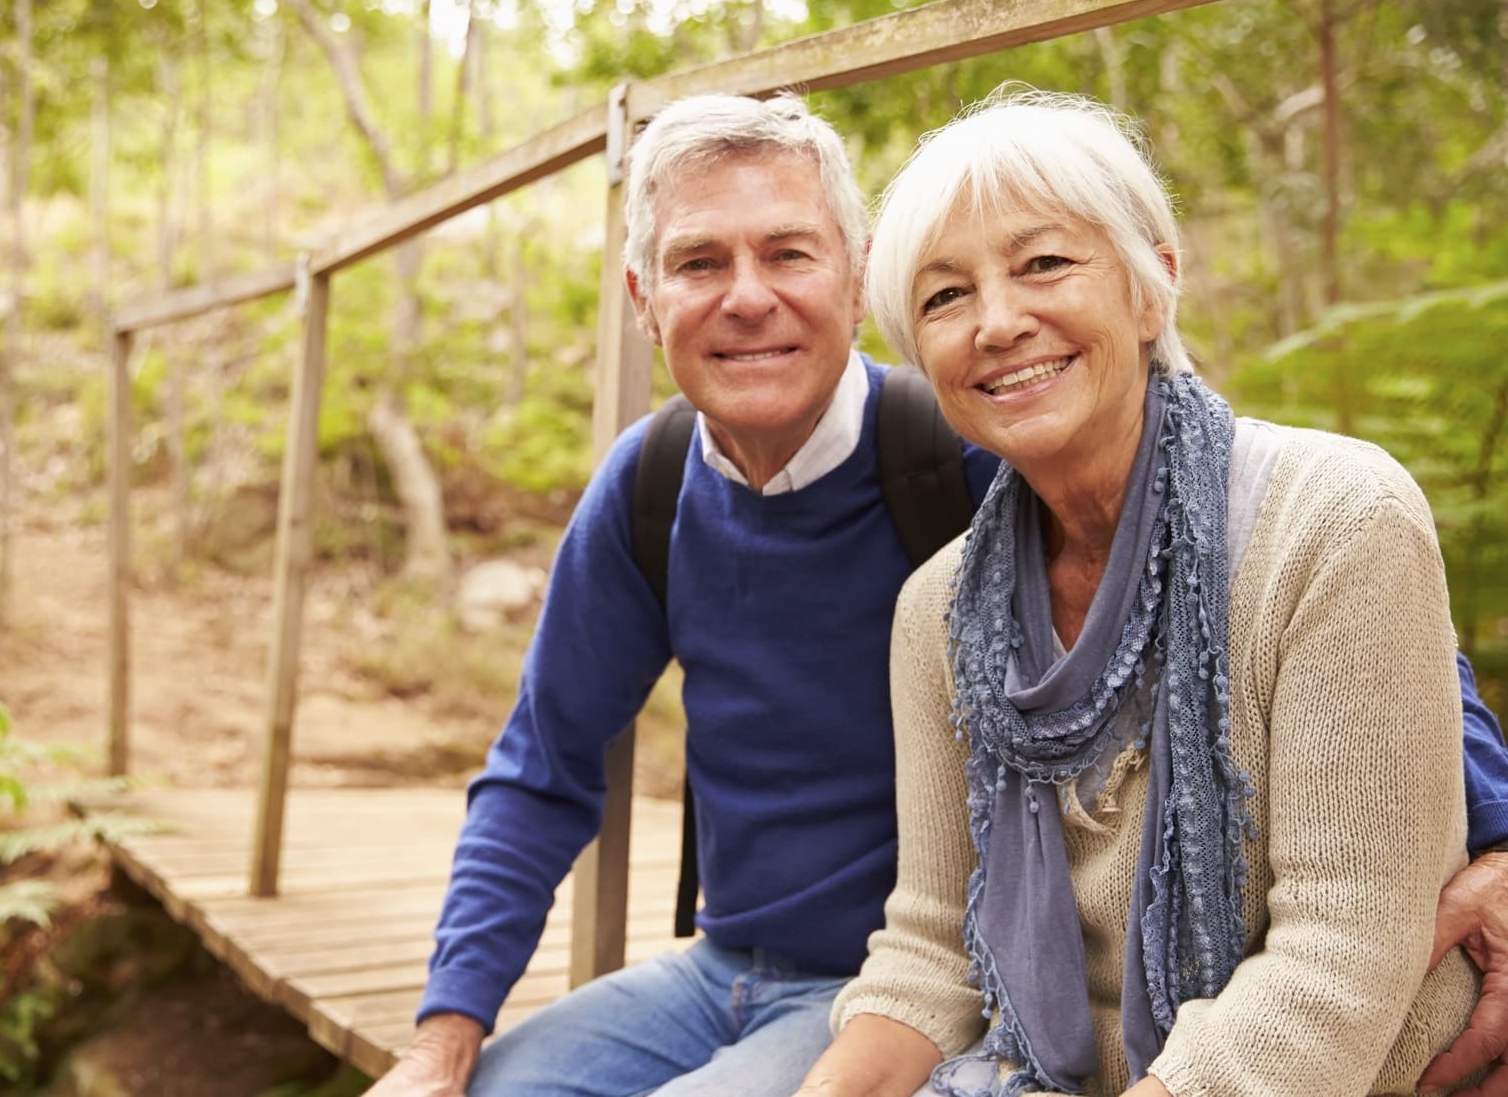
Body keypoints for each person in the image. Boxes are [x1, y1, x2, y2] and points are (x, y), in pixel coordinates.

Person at [365, 93, 1508, 1097]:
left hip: (947, 998)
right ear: (642, 297)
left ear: (854, 280)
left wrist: (1496, 837)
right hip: (766, 968)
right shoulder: (703, 506)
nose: (746, 298)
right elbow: (541, 766)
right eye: (700, 263)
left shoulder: (971, 447)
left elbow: (1298, 605)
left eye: (788, 254)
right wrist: (440, 1037)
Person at [796, 88, 1488, 1097]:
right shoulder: (935, 612)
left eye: (1042, 264)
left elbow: (1341, 955)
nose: (995, 322)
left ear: (1150, 285)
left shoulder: (1338, 518)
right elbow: (933, 950)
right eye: (944, 297)